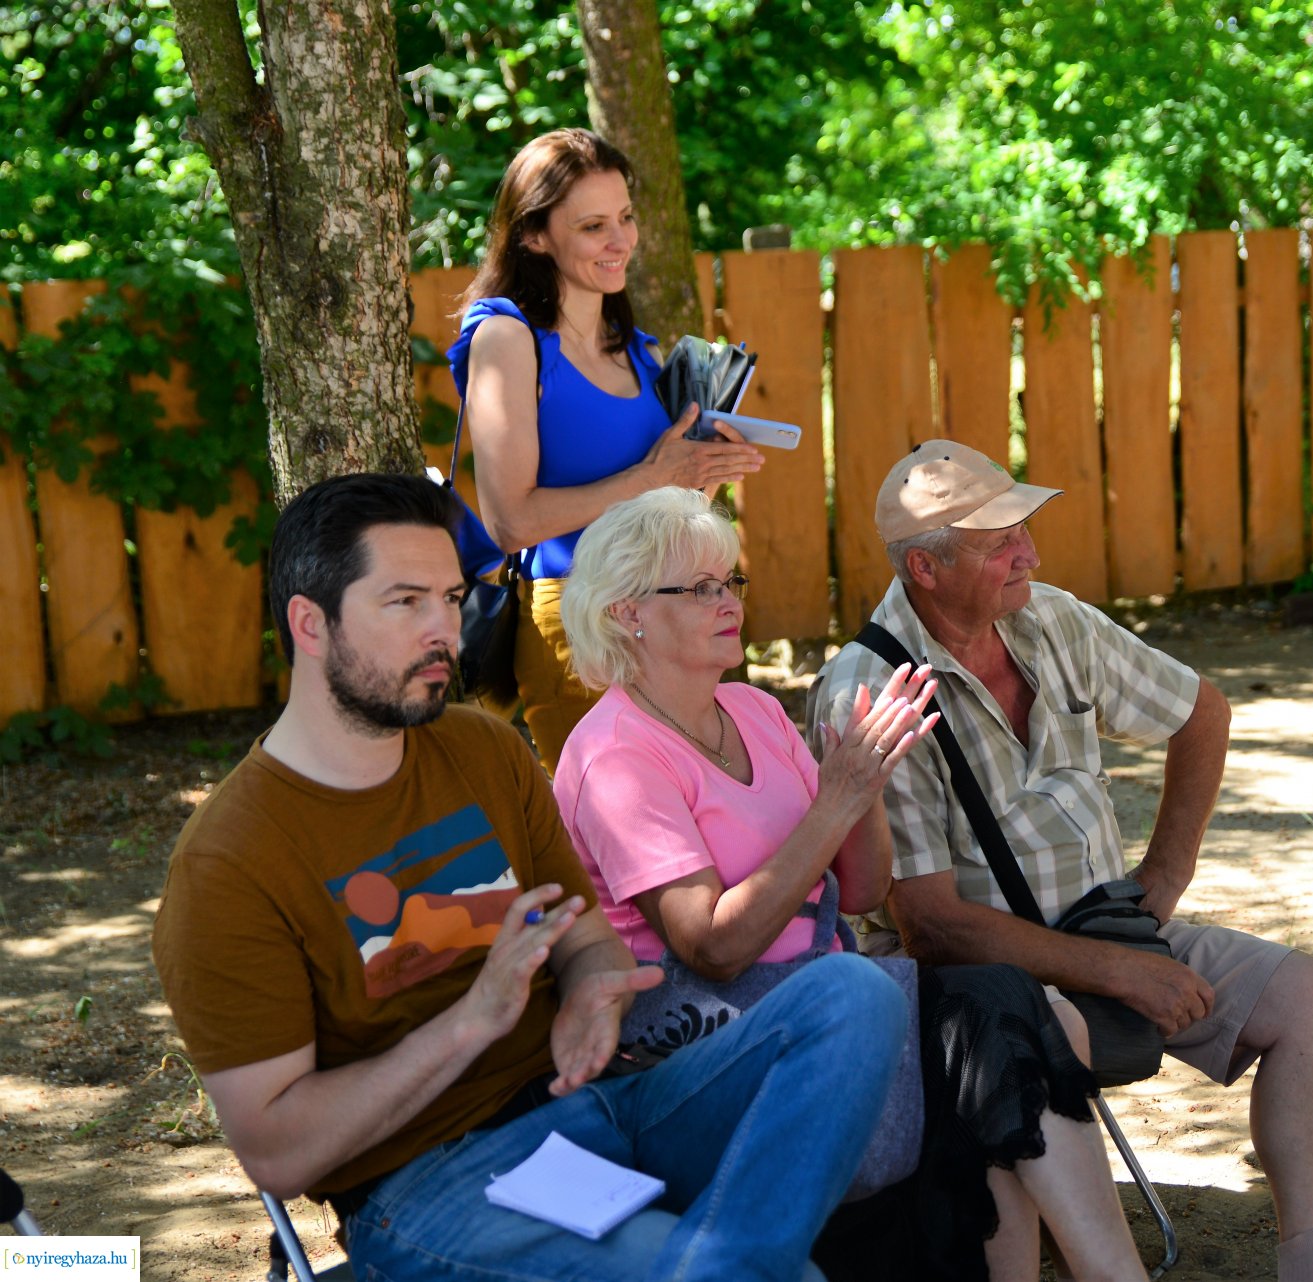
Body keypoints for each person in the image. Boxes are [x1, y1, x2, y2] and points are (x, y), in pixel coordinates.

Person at [151, 473, 906, 1282]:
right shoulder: (230, 861)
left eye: (450, 598)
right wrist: (470, 1023)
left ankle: (729, 1265)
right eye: (406, 603)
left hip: (594, 1110)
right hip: (429, 1184)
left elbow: (592, 945)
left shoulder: (483, 751)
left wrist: (591, 991)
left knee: (854, 994)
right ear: (311, 623)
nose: (444, 629)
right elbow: (278, 1153)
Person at [551, 488, 1148, 1282]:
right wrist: (835, 798)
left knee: (1012, 1006)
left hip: (827, 995)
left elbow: (862, 892)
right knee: (997, 1019)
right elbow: (714, 946)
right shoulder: (616, 754)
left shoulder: (753, 711)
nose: (729, 602)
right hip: (714, 1043)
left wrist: (865, 785)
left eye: (731, 582)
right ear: (627, 612)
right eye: (700, 588)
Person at [807, 440, 1313, 1282]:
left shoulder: (1053, 619)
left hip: (1105, 930)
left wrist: (1164, 879)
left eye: (1024, 529)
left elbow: (1202, 714)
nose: (1029, 553)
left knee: (1306, 996)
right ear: (924, 566)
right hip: (981, 985)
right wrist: (1118, 971)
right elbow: (934, 928)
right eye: (1000, 543)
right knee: (1033, 1036)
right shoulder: (872, 693)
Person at [447, 126, 764, 772]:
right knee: (618, 825)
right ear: (534, 235)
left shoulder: (640, 351)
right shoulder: (507, 338)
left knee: (701, 807)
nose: (621, 240)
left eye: (625, 217)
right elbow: (509, 523)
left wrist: (702, 470)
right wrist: (652, 476)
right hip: (579, 618)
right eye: (593, 226)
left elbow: (660, 502)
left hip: (677, 609)